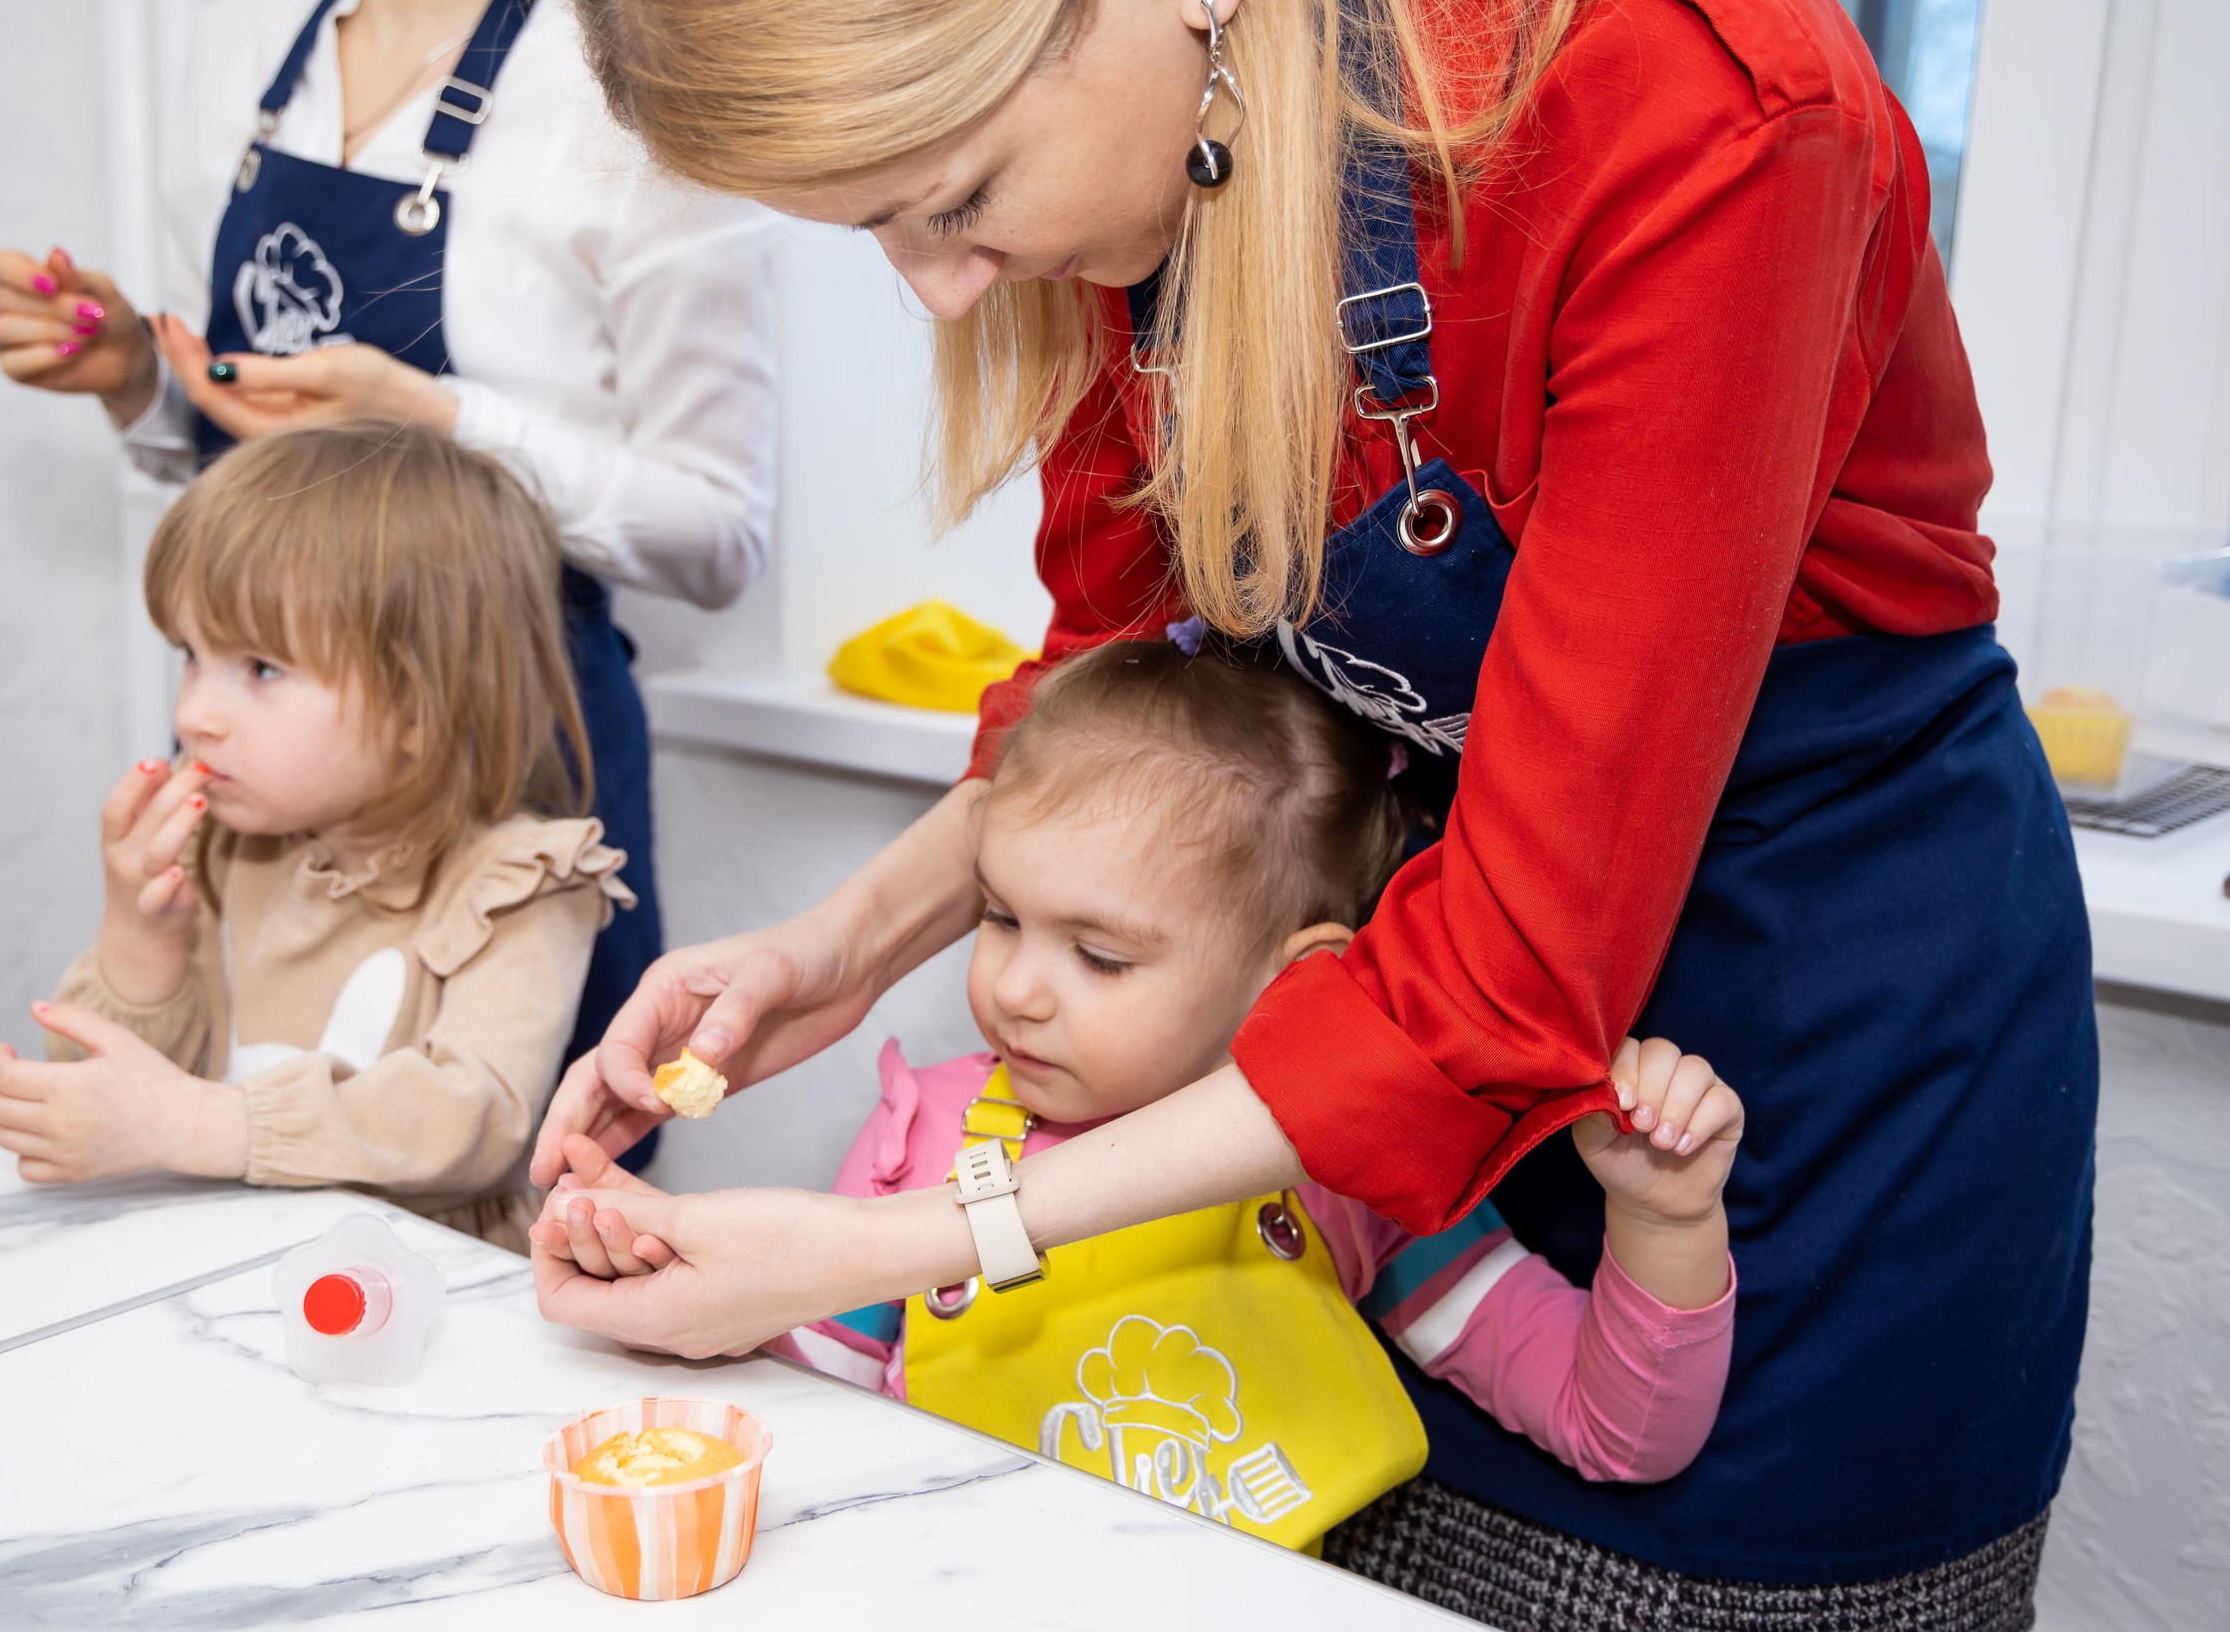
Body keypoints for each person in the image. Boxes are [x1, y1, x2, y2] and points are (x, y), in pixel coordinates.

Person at [519, 0, 2094, 1624]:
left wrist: (898, 1250)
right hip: (1373, 1050)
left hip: (1799, 1058)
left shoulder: (1691, 102)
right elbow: (1122, 681)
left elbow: (1516, 967)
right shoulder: (1185, 141)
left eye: (960, 192)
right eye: (874, 230)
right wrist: (835, 949)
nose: (947, 286)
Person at [539, 640, 1744, 1554]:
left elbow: (1616, 1432)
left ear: (1294, 985)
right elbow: (807, 1433)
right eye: (1001, 915)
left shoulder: (1350, 1179)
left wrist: (1664, 1222)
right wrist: (662, 1281)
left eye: (1100, 956)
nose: (1016, 987)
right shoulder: (916, 1145)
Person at [0, 0, 777, 1082]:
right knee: (220, 1083)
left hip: (503, 728)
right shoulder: (236, 38)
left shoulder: (648, 77)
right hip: (276, 711)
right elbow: (253, 441)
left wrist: (443, 420)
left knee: (524, 1170)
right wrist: (142, 382)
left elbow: (720, 533)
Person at [0, 424, 630, 1251]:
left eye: (260, 668)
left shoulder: (521, 883)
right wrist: (137, 938)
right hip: (219, 1261)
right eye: (192, 654)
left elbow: (474, 1119)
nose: (194, 715)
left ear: (418, 704)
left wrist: (206, 1123)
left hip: (427, 1293)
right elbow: (108, 1099)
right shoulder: (221, 841)